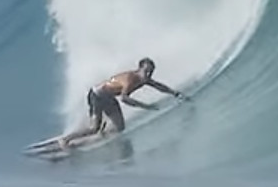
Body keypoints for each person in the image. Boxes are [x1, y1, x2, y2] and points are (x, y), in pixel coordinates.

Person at [53, 57, 182, 151]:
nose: (148, 74)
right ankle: (65, 140)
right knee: (93, 128)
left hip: (109, 98)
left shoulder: (144, 79)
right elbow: (124, 98)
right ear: (139, 69)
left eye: (151, 72)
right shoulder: (131, 78)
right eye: (146, 71)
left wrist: (174, 93)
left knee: (120, 127)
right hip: (97, 96)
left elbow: (159, 86)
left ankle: (99, 133)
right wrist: (146, 106)